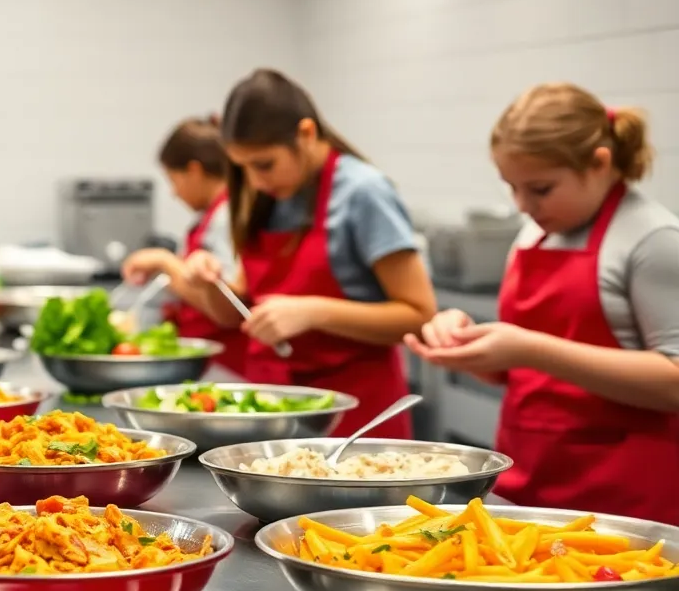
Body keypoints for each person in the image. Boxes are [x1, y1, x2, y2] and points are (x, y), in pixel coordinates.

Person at [406, 83, 679, 524]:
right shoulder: (535, 234)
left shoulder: (652, 240)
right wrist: (467, 341)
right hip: (529, 480)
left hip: (621, 497)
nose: (521, 204)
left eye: (540, 188)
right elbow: (515, 371)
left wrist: (529, 348)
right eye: (511, 187)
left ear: (599, 165)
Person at [184, 69, 435, 439]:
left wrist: (313, 311)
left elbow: (420, 315)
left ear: (306, 133)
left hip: (354, 418)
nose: (254, 181)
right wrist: (209, 283)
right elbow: (235, 311)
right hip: (275, 410)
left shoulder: (362, 193)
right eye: (243, 168)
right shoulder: (264, 196)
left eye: (264, 164)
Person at [122, 116, 248, 373]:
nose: (174, 192)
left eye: (173, 180)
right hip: (212, 361)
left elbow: (228, 301)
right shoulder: (210, 215)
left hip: (229, 363)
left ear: (194, 170)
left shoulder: (226, 216)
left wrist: (165, 262)